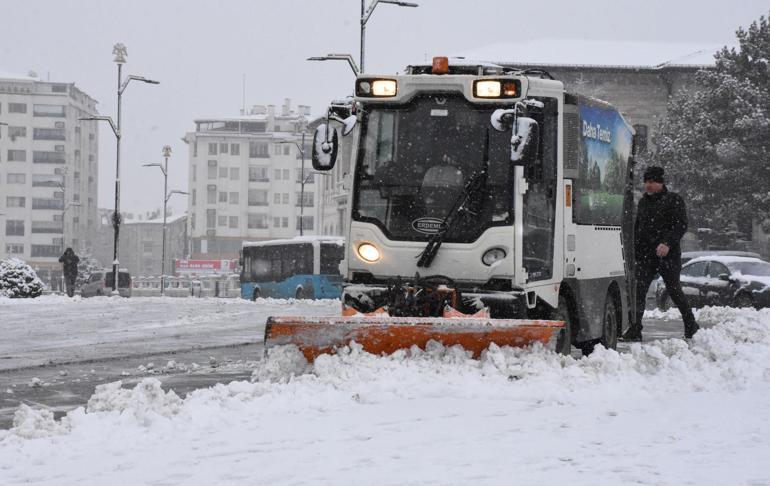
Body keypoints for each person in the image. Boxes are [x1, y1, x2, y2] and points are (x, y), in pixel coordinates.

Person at [622, 166, 699, 342]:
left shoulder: (673, 200)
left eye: (652, 182)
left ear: (661, 183)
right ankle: (635, 328)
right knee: (638, 291)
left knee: (674, 290)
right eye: (646, 182)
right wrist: (634, 251)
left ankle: (691, 325)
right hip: (646, 256)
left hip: (667, 256)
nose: (648, 185)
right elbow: (638, 228)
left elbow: (681, 225)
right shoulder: (643, 202)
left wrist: (667, 243)